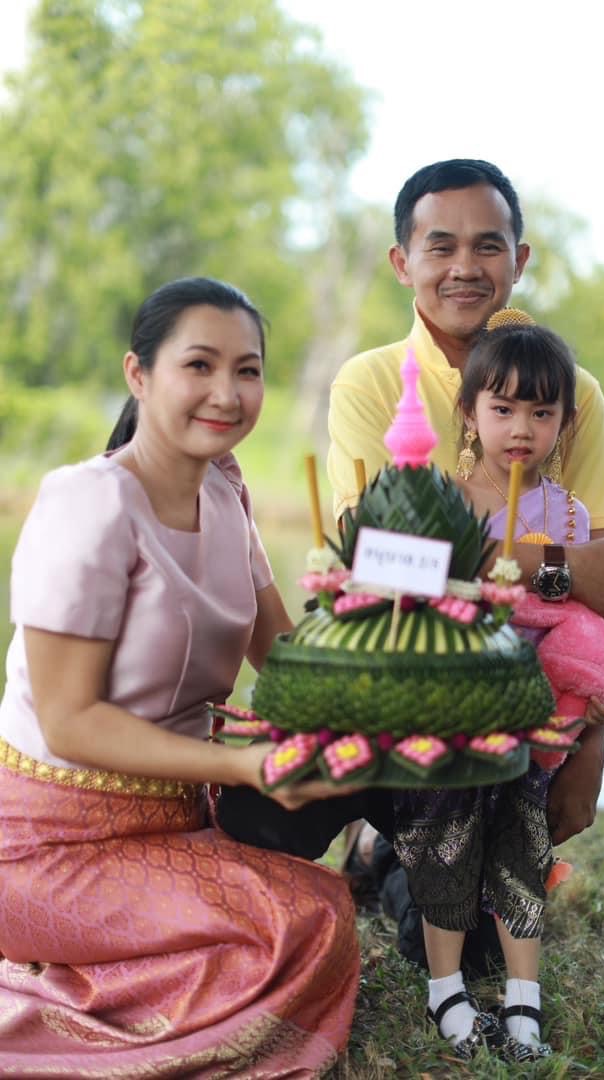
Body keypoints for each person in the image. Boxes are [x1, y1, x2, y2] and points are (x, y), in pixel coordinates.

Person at [0, 277, 360, 1078]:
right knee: (298, 925)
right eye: (199, 365)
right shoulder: (87, 503)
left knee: (321, 907)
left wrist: (394, 651)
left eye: (247, 370)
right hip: (45, 845)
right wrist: (244, 765)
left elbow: (283, 654)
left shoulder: (226, 490)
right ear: (139, 373)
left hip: (174, 821)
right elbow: (69, 721)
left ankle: (107, 980)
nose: (227, 393)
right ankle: (55, 1003)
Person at [327, 157, 604, 869]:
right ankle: (384, 836)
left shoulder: (572, 392)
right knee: (441, 895)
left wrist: (593, 741)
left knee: (495, 893)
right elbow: (380, 558)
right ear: (402, 263)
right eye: (441, 247)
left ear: (519, 260)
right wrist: (558, 565)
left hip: (536, 693)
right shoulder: (370, 383)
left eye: (487, 246)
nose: (465, 267)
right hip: (412, 670)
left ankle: (421, 853)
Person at [395, 309, 604, 1063]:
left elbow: (583, 622)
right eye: (503, 408)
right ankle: (446, 989)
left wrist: (594, 705)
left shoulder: (568, 519)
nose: (521, 428)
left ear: (565, 422)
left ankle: (525, 998)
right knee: (449, 836)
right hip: (453, 713)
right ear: (469, 412)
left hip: (534, 716)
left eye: (541, 412)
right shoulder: (443, 502)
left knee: (523, 841)